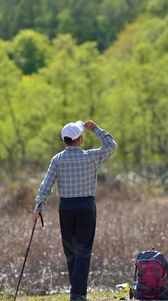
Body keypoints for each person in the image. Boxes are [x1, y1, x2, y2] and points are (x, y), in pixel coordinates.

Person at [33, 120, 117, 301]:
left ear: (65, 140)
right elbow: (111, 145)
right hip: (86, 207)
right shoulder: (91, 157)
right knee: (83, 251)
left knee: (70, 251)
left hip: (66, 209)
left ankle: (76, 292)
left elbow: (46, 185)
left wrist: (38, 207)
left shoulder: (57, 159)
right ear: (79, 139)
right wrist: (95, 129)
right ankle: (77, 294)